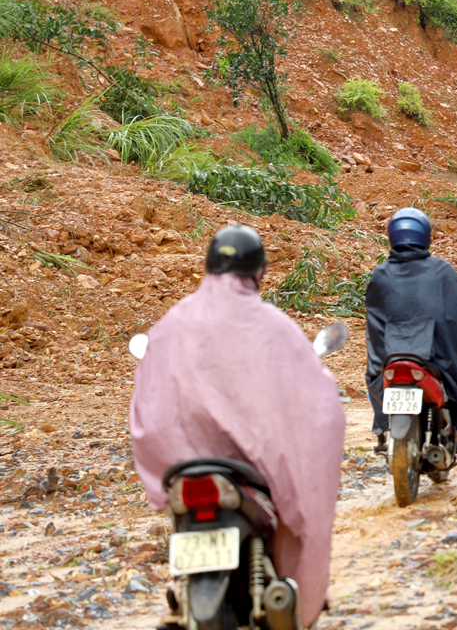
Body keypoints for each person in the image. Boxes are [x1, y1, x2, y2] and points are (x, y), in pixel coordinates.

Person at [129, 224, 346, 630]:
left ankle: (183, 602)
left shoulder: (171, 324)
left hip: (185, 470)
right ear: (259, 271)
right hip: (246, 479)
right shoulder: (274, 327)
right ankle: (290, 591)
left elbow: (149, 397)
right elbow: (318, 406)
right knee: (292, 505)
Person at [365, 207, 457, 454]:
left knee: (375, 370)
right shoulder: (441, 271)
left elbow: (374, 320)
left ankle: (382, 431)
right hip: (432, 357)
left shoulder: (379, 275)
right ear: (426, 235)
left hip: (390, 356)